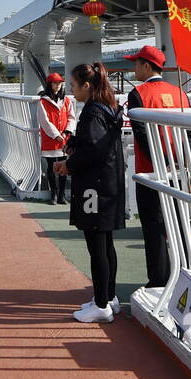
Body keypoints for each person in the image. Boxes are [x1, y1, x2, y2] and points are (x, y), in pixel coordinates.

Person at [55, 62, 127, 323]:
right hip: (108, 183)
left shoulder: (92, 112)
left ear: (87, 85)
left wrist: (68, 165)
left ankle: (100, 305)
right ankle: (108, 297)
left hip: (94, 188)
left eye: (74, 86)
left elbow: (94, 151)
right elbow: (97, 145)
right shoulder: (108, 106)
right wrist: (76, 144)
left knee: (96, 245)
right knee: (105, 244)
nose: (72, 91)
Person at [123, 44, 190, 293]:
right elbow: (189, 132)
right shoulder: (180, 94)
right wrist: (181, 159)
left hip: (150, 171)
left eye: (136, 64)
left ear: (146, 65)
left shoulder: (138, 94)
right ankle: (185, 274)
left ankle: (159, 280)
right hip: (179, 169)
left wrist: (160, 160)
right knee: (180, 224)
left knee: (154, 226)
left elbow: (140, 134)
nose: (134, 68)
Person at [38, 72, 76, 205]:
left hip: (64, 138)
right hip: (50, 139)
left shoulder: (66, 100)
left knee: (63, 165)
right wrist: (56, 135)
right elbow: (44, 121)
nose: (58, 86)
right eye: (55, 83)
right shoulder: (43, 101)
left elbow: (72, 117)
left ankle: (61, 195)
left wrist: (66, 132)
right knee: (50, 167)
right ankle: (53, 194)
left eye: (60, 83)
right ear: (49, 84)